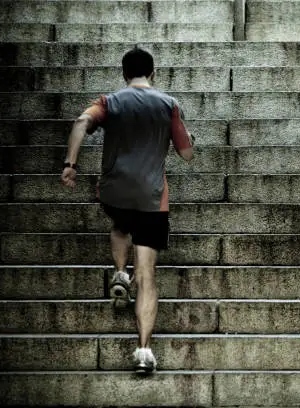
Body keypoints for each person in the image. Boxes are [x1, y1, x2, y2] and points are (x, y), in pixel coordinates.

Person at [60, 47, 194, 373]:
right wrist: (190, 138)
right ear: (154, 73)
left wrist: (71, 164)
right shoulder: (169, 105)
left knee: (120, 223)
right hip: (151, 198)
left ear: (124, 74)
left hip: (115, 190)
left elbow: (81, 122)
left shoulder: (110, 101)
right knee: (147, 276)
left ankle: (120, 272)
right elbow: (187, 153)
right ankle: (144, 351)